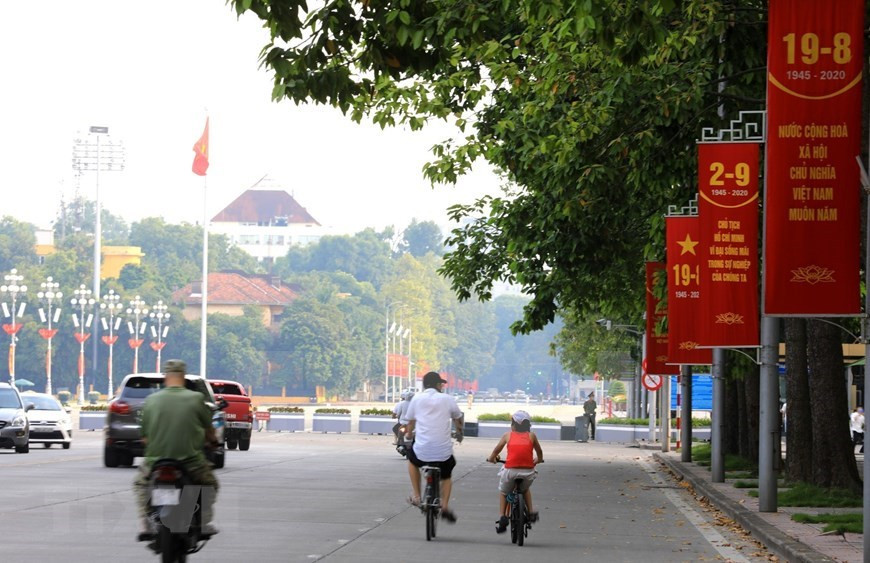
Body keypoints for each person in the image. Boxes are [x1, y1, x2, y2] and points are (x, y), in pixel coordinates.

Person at [133, 359, 220, 541]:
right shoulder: (196, 399)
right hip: (190, 462)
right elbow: (209, 430)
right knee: (210, 485)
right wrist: (212, 442)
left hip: (156, 462)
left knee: (140, 485)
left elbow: (144, 437)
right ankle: (202, 522)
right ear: (183, 377)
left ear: (166, 377)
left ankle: (146, 524)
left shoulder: (151, 400)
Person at [404, 371, 464, 523]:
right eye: (441, 384)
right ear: (437, 385)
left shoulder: (416, 399)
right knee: (447, 473)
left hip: (422, 450)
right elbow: (458, 418)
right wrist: (459, 433)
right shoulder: (448, 399)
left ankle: (417, 496)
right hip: (443, 452)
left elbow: (410, 422)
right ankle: (444, 505)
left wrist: (409, 435)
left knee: (412, 461)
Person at [486, 410, 544, 533]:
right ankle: (531, 512)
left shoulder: (507, 435)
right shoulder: (532, 436)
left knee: (504, 492)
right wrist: (538, 460)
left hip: (510, 471)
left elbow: (496, 451)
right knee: (525, 489)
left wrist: (491, 459)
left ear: (513, 424)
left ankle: (502, 516)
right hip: (528, 472)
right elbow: (539, 452)